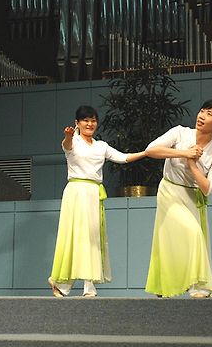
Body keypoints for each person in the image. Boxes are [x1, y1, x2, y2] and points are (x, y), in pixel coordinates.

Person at [48, 105, 146, 298]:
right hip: (76, 191)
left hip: (94, 193)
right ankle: (66, 284)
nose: (90, 124)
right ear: (77, 123)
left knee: (92, 237)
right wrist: (68, 136)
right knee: (76, 237)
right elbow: (67, 145)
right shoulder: (73, 141)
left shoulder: (101, 146)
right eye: (85, 120)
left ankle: (80, 285)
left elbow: (123, 158)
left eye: (93, 120)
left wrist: (146, 153)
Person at [144, 99, 212, 298]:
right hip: (170, 192)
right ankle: (187, 286)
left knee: (177, 241)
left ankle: (191, 286)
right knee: (192, 233)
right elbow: (151, 150)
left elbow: (209, 188)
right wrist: (184, 153)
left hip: (193, 197)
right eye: (202, 111)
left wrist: (192, 165)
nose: (202, 116)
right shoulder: (180, 133)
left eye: (209, 114)